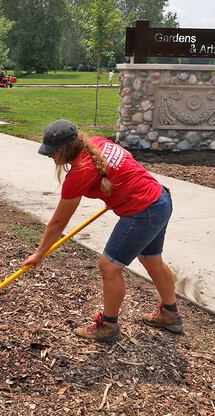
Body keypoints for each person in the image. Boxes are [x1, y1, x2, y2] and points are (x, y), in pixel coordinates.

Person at [22, 119, 181, 342]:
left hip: (143, 211)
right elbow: (126, 164)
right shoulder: (97, 143)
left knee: (109, 267)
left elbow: (58, 223)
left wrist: (39, 253)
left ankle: (108, 326)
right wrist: (117, 192)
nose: (51, 156)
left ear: (67, 148)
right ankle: (170, 315)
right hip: (160, 200)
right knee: (151, 259)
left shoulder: (79, 173)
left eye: (53, 152)